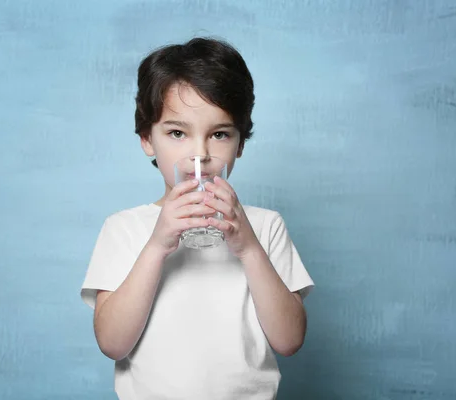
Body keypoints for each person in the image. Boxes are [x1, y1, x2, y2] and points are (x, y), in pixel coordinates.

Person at [80, 37, 314, 400]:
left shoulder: (266, 227)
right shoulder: (123, 228)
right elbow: (112, 343)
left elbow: (289, 341)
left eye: (219, 134)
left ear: (240, 144)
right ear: (147, 139)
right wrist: (157, 245)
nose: (199, 155)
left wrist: (250, 249)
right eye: (177, 133)